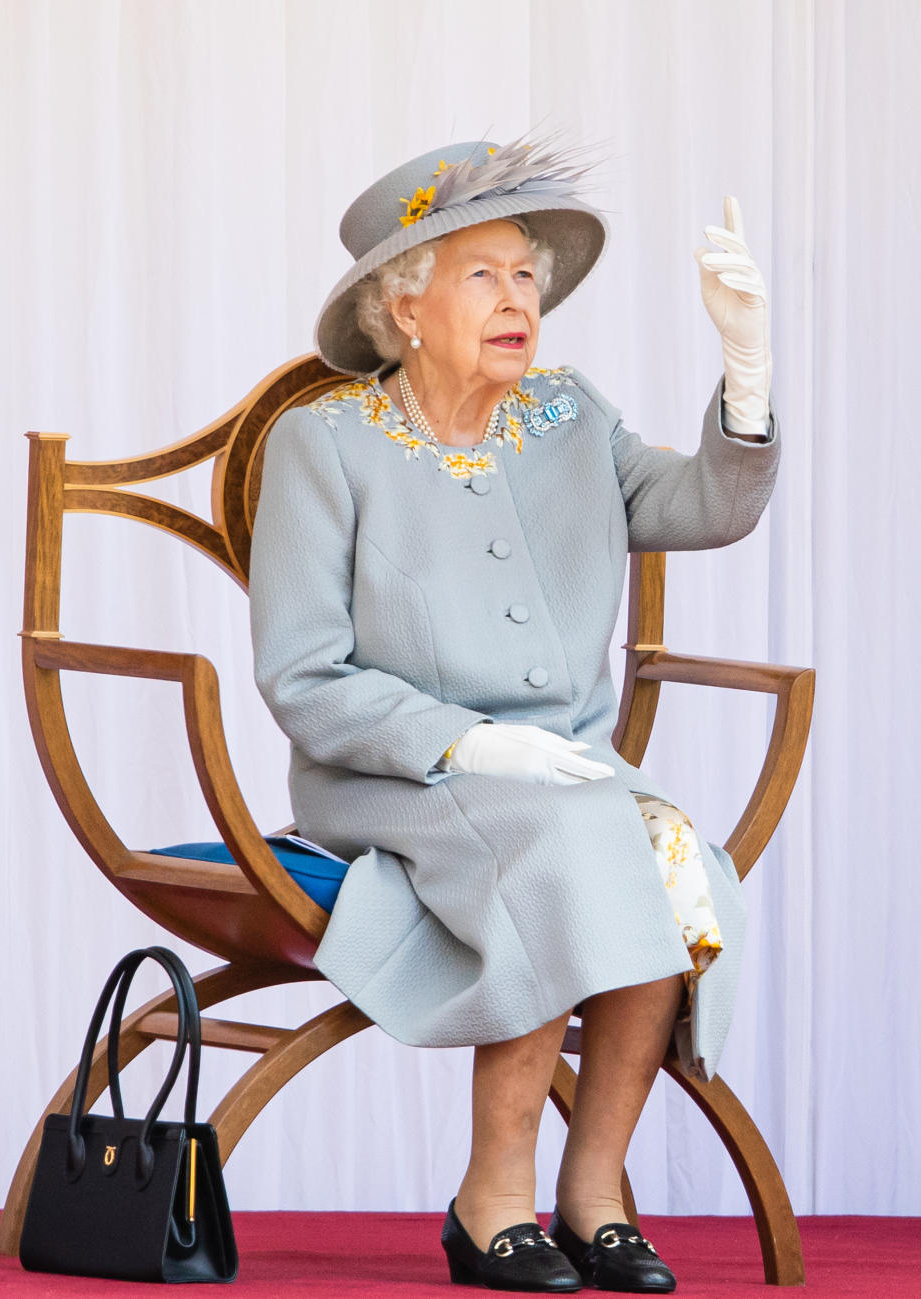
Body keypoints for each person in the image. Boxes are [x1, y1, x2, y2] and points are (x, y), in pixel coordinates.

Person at [249, 134, 780, 1293]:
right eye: (483, 274)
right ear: (405, 305)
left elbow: (703, 507)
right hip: (399, 782)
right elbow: (302, 675)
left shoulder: (569, 417)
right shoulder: (322, 446)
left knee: (666, 849)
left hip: (571, 769)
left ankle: (594, 1191)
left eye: (527, 276)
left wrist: (745, 372)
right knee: (575, 843)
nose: (518, 299)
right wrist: (463, 740)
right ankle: (492, 1198)